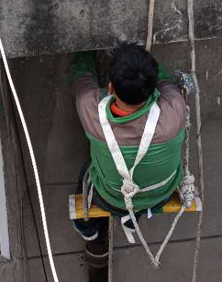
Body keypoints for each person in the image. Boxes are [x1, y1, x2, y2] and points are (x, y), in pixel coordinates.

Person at [71, 42, 186, 272]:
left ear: (110, 88)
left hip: (111, 198)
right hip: (160, 195)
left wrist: (84, 45)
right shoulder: (174, 109)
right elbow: (165, 81)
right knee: (141, 176)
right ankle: (132, 218)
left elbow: (82, 77)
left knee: (88, 171)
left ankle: (89, 231)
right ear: (152, 88)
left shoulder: (91, 110)